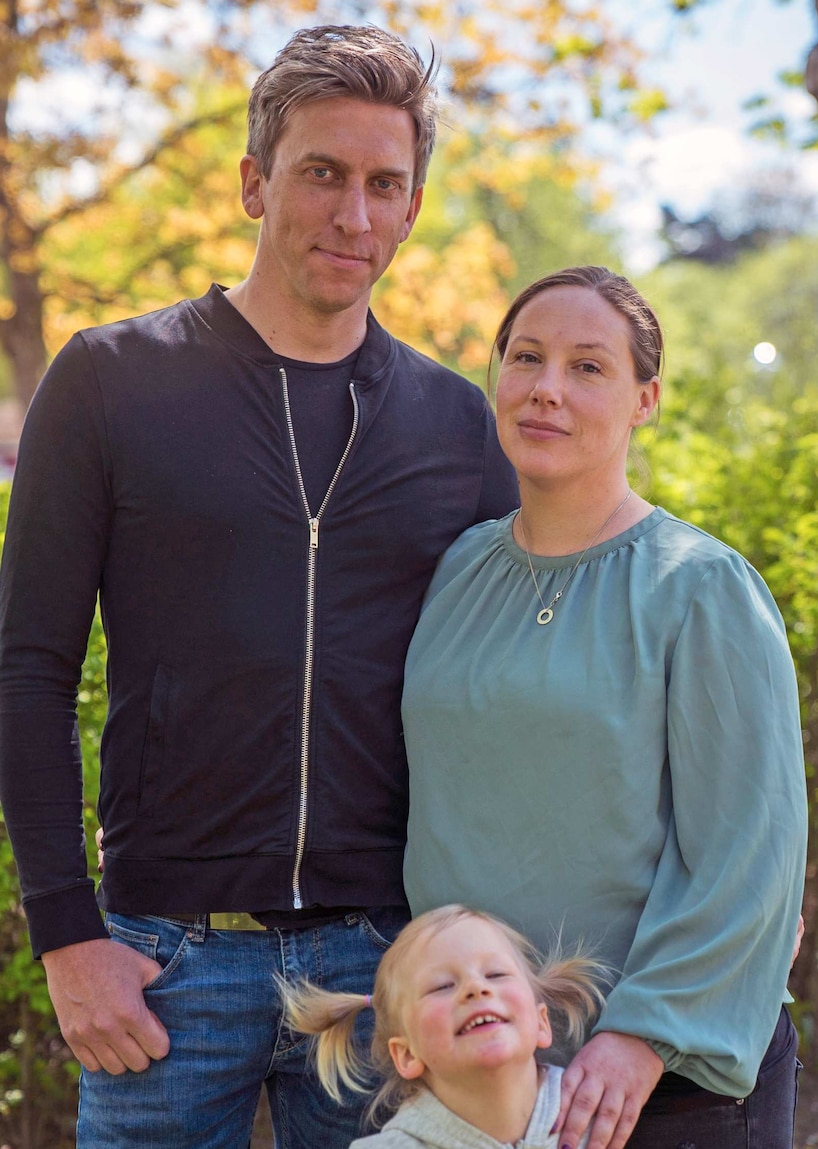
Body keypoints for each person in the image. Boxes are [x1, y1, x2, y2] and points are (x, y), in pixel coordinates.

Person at [0, 25, 517, 1149]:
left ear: (415, 206)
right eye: (322, 174)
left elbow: (512, 685)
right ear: (253, 183)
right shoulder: (110, 382)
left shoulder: (454, 425)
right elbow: (27, 670)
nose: (355, 216)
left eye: (387, 185)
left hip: (381, 968)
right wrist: (66, 937)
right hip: (161, 962)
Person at [400, 267, 808, 1149]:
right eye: (527, 358)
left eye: (589, 367)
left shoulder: (701, 588)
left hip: (658, 1083)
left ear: (645, 399)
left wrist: (643, 1034)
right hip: (489, 1079)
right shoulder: (458, 570)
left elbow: (752, 851)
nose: (547, 388)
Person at [281, 904, 607, 1148]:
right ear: (407, 1054)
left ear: (541, 1022)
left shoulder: (601, 1113)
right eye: (442, 986)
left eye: (495, 974)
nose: (476, 988)